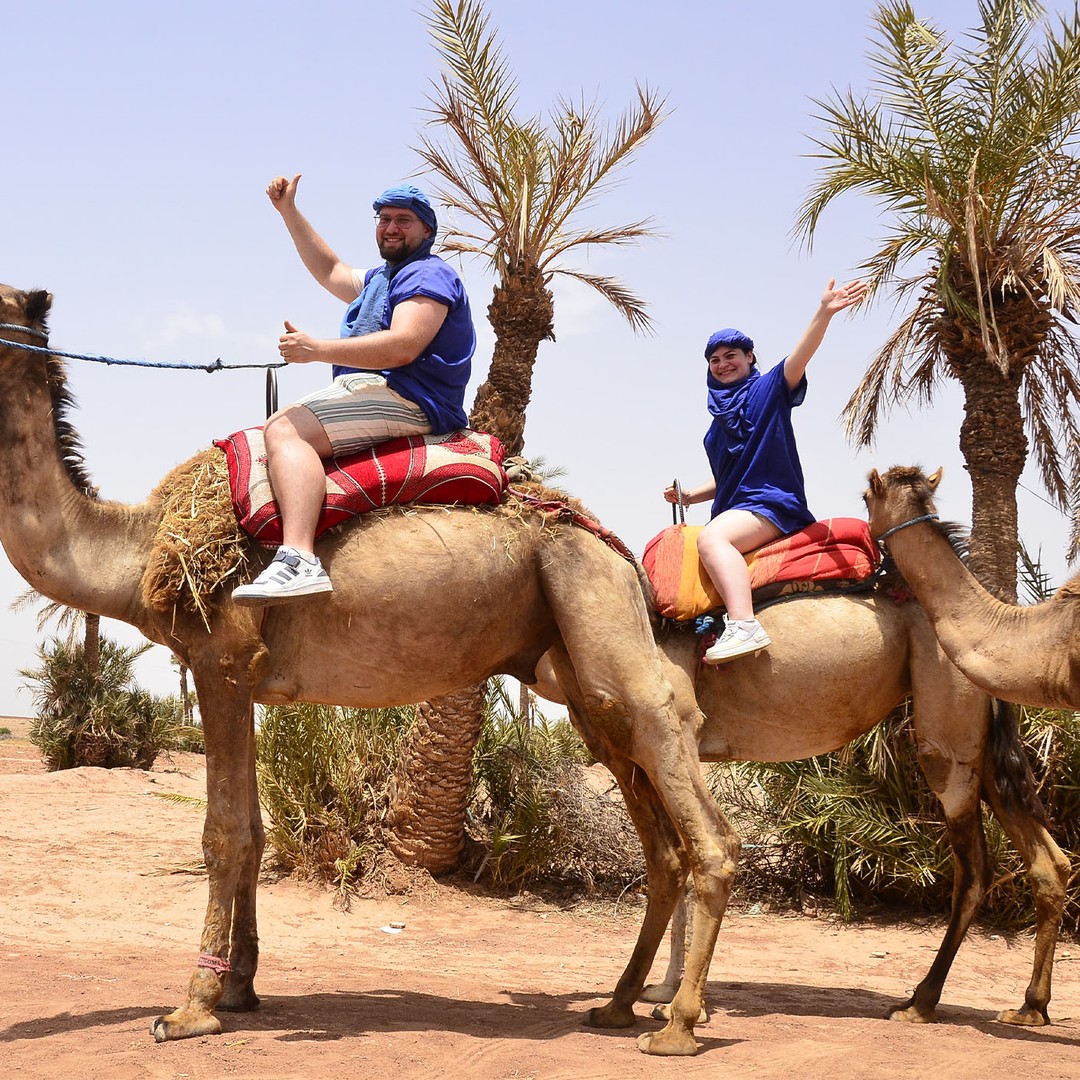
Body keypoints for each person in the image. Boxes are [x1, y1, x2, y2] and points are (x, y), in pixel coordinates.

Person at [233, 175, 476, 606]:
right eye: (384, 219)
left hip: (409, 395)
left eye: (404, 220)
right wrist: (289, 212)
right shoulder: (384, 278)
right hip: (377, 389)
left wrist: (316, 350)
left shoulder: (428, 273)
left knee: (286, 431)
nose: (391, 227)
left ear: (427, 231)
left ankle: (298, 559)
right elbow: (331, 270)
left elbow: (405, 345)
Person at [664, 277, 868, 663]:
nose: (723, 364)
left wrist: (823, 312)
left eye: (731, 356)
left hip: (771, 505)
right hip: (737, 509)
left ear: (750, 358)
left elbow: (799, 358)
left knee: (711, 541)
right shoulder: (716, 425)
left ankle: (744, 625)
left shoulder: (769, 390)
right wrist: (689, 495)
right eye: (715, 360)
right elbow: (728, 477)